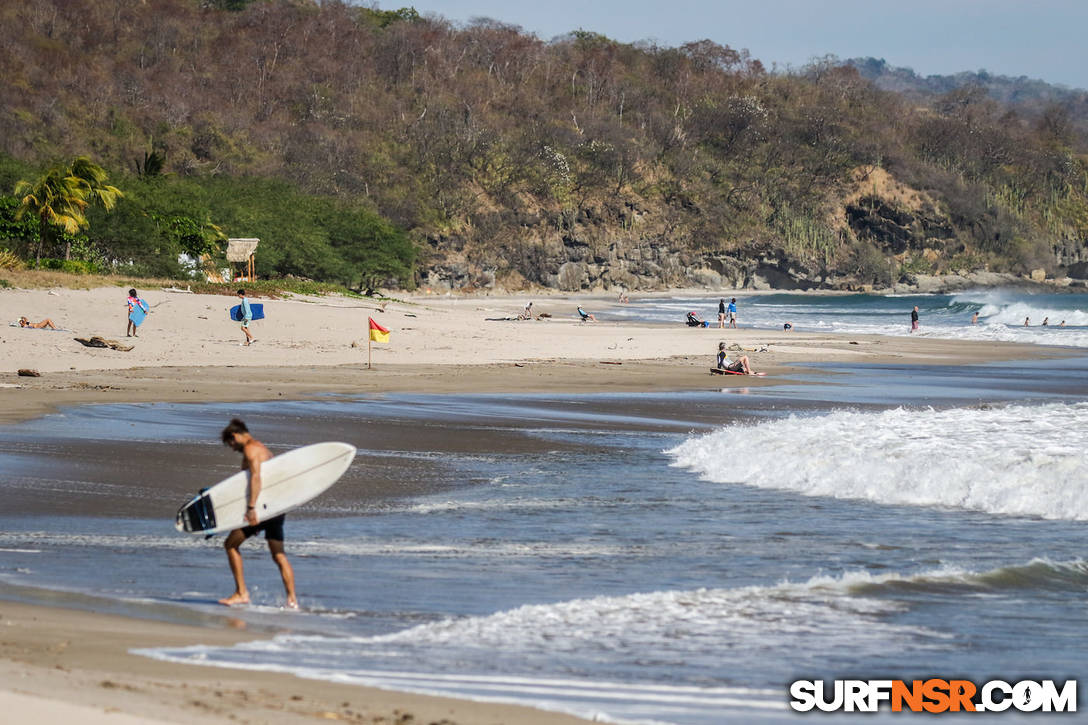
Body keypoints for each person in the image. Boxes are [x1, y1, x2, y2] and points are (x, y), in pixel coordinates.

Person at [219, 418, 297, 609]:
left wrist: (251, 508)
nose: (232, 448)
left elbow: (256, 477)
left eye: (231, 443)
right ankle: (292, 600)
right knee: (279, 555)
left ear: (235, 436)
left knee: (230, 545)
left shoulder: (251, 449)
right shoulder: (263, 449)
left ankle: (241, 593)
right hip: (275, 508)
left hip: (261, 509)